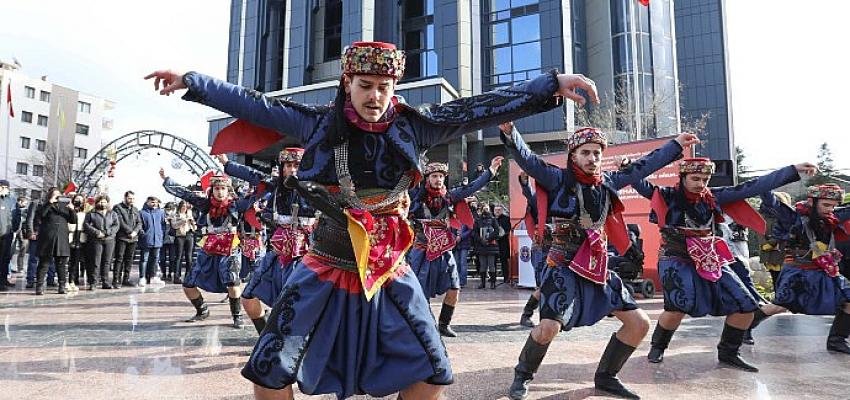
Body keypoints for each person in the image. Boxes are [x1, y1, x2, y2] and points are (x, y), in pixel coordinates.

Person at [146, 39, 599, 399]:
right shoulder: (318, 126)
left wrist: (551, 84)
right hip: (324, 263)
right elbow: (253, 103)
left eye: (384, 87)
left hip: (388, 268)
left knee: (434, 372)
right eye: (365, 85)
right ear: (348, 83)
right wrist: (191, 80)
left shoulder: (415, 126)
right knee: (268, 370)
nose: (375, 96)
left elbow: (479, 107)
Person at [500, 120, 698, 400]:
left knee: (638, 324)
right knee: (547, 329)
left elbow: (644, 166)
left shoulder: (608, 182)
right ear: (573, 156)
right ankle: (522, 376)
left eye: (597, 153)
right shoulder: (557, 179)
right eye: (586, 152)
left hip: (596, 263)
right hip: (564, 263)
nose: (593, 158)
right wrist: (511, 134)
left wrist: (676, 144)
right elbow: (529, 160)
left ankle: (606, 377)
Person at [630, 158, 814, 372]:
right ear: (683, 177)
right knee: (677, 306)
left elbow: (754, 185)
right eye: (695, 178)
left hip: (710, 257)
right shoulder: (666, 195)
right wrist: (627, 166)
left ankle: (729, 352)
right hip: (676, 256)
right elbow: (637, 180)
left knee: (746, 305)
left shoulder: (715, 196)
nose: (701, 183)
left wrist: (792, 171)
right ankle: (658, 346)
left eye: (705, 179)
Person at [218, 148, 317, 335]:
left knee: (296, 306)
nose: (293, 170)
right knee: (248, 299)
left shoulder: (316, 188)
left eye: (297, 165)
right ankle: (266, 337)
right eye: (288, 165)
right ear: (282, 168)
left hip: (307, 258)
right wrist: (227, 164)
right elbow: (252, 174)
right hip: (277, 256)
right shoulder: (275, 185)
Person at [749, 184, 850, 354]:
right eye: (826, 205)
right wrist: (766, 182)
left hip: (825, 270)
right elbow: (771, 201)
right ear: (812, 201)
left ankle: (837, 340)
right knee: (778, 307)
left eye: (833, 205)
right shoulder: (793, 217)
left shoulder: (834, 216)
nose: (830, 209)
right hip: (798, 272)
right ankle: (742, 329)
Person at [408, 157, 501, 337]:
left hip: (444, 249)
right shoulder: (416, 197)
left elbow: (471, 187)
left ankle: (444, 324)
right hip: (422, 249)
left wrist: (490, 171)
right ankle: (423, 324)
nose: (438, 179)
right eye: (434, 176)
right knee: (419, 290)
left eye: (441, 176)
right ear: (427, 178)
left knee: (454, 287)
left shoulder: (450, 196)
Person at [160, 168, 253, 329]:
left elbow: (256, 197)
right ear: (212, 190)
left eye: (223, 188)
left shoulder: (236, 205)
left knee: (233, 281)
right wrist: (167, 179)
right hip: (208, 248)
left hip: (230, 249)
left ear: (228, 190)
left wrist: (269, 184)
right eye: (217, 188)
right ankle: (202, 310)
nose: (220, 192)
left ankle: (237, 316)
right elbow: (185, 194)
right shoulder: (205, 204)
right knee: (188, 283)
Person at [34, 188, 77, 295]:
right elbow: (41, 216)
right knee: (44, 263)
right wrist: (50, 203)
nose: (58, 197)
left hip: (61, 238)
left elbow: (73, 220)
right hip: (47, 238)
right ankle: (39, 287)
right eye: (55, 195)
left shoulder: (64, 207)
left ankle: (62, 286)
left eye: (59, 195)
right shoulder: (44, 205)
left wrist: (72, 209)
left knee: (61, 264)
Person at [84, 194, 120, 290]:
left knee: (107, 262)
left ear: (107, 203)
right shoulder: (91, 213)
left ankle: (105, 281)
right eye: (100, 201)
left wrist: (107, 232)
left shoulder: (112, 213)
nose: (102, 203)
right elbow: (86, 225)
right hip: (96, 240)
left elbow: (116, 225)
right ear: (97, 202)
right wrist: (97, 232)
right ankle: (93, 282)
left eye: (104, 202)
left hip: (109, 240)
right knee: (96, 261)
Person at [113, 191, 143, 288]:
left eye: (133, 198)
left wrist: (135, 232)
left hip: (133, 238)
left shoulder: (135, 209)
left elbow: (139, 223)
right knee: (119, 259)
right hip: (122, 237)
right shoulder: (118, 208)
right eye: (130, 198)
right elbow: (120, 222)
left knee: (129, 259)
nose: (131, 200)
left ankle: (126, 278)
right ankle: (116, 279)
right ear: (125, 198)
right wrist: (130, 231)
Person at [138, 196, 166, 286]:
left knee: (155, 259)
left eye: (156, 202)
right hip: (146, 240)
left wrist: (161, 234)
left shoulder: (161, 212)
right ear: (147, 202)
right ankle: (142, 277)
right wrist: (143, 234)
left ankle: (153, 277)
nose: (154, 204)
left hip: (157, 239)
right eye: (152, 202)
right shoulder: (142, 213)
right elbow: (140, 225)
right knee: (144, 259)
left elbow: (163, 225)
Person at [473, 203, 501, 290]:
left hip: (491, 246)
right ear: (481, 210)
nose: (485, 210)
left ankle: (493, 283)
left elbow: (497, 231)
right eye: (484, 208)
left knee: (492, 265)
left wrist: (488, 239)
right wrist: (481, 240)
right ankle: (482, 283)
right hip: (481, 246)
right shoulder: (477, 221)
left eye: (487, 208)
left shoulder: (493, 220)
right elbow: (475, 233)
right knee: (483, 265)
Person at [170, 200, 196, 284]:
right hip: (179, 236)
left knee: (189, 257)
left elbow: (195, 228)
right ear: (180, 207)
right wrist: (183, 221)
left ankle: (188, 276)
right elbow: (174, 225)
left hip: (189, 235)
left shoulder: (189, 214)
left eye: (186, 207)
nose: (184, 208)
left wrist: (193, 223)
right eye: (183, 207)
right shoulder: (175, 214)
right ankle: (177, 277)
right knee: (178, 257)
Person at [67, 194, 88, 292]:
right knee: (67, 261)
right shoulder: (68, 210)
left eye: (80, 200)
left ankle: (72, 280)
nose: (78, 201)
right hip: (69, 237)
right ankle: (65, 281)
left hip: (80, 238)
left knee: (75, 262)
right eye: (76, 199)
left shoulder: (85, 213)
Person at [0, 179, 16, 289]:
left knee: (5, 258)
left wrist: (14, 228)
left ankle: (3, 280)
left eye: (4, 187)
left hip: (7, 233)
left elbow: (17, 215)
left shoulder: (12, 200)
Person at [11, 196, 30, 279]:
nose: (25, 205)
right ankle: (10, 267)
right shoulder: (13, 210)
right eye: (24, 203)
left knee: (23, 250)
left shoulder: (27, 211)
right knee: (11, 250)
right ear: (20, 202)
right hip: (14, 231)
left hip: (23, 232)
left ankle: (20, 268)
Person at [494, 204, 512, 285]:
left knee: (504, 261)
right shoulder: (492, 219)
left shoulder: (506, 219)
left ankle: (506, 278)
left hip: (503, 243)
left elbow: (508, 230)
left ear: (502, 210)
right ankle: (492, 278)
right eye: (496, 210)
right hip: (493, 244)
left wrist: (500, 235)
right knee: (492, 261)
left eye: (499, 210)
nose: (497, 211)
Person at [161, 202, 177, 282]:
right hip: (163, 240)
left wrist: (172, 222)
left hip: (172, 240)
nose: (169, 211)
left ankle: (170, 273)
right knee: (162, 258)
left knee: (172, 258)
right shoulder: (162, 216)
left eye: (171, 209)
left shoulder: (175, 217)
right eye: (167, 209)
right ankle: (163, 273)